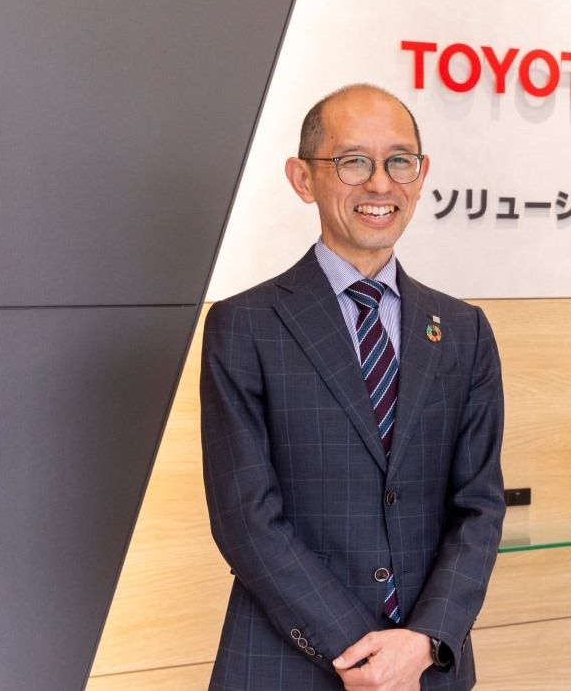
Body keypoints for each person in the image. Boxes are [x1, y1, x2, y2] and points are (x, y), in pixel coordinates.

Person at [201, 84, 505, 691]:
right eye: (353, 162)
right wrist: (363, 654)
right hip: (289, 665)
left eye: (399, 161)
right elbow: (245, 518)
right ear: (302, 178)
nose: (380, 184)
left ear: (422, 175)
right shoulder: (244, 326)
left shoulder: (463, 329)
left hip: (427, 667)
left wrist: (424, 641)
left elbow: (479, 505)